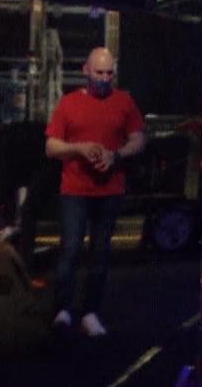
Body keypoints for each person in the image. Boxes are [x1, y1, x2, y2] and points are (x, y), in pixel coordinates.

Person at [44, 47, 146, 337]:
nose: (104, 78)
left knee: (100, 253)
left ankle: (90, 311)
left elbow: (139, 139)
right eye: (99, 72)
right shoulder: (69, 103)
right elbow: (51, 146)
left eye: (109, 73)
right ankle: (63, 309)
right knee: (71, 249)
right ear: (86, 71)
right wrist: (79, 148)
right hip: (75, 189)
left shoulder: (124, 102)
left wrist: (116, 155)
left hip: (110, 189)